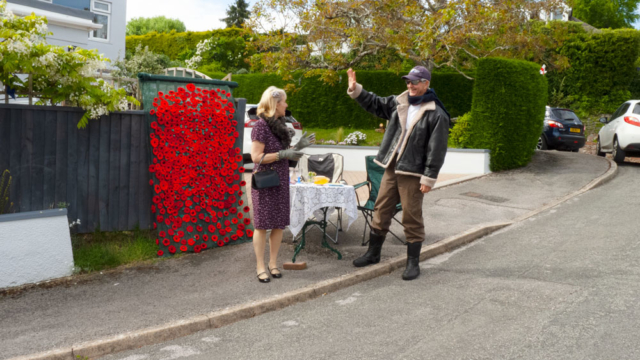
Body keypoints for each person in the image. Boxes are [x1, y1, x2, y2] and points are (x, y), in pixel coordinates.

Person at [347, 66, 450, 280]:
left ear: (426, 84)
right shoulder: (399, 102)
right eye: (408, 81)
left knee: (411, 216)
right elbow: (375, 103)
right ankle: (373, 254)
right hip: (392, 168)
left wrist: (428, 178)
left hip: (413, 173)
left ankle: (413, 263)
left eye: (415, 81)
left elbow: (437, 149)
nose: (410, 85)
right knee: (381, 209)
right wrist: (356, 89)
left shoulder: (436, 114)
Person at [250, 86, 315, 283]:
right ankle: (260, 266)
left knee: (278, 224)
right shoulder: (260, 126)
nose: (286, 105)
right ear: (275, 104)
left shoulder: (280, 126)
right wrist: (282, 154)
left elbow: (286, 155)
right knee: (262, 226)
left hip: (280, 180)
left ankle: (273, 263)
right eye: (284, 102)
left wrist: (298, 148)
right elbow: (256, 157)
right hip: (265, 181)